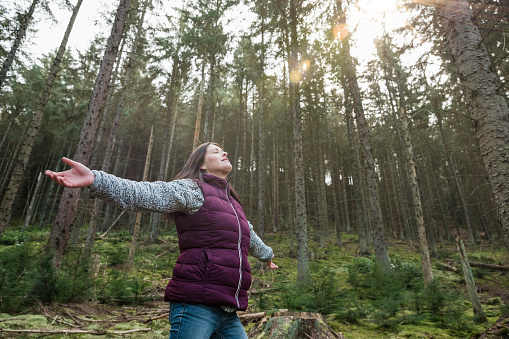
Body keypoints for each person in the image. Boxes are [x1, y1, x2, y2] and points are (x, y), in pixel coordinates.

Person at [45, 142, 278, 339]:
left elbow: (248, 234)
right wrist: (96, 179)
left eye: (223, 150)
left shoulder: (233, 204)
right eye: (216, 150)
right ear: (202, 164)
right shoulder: (193, 190)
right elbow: (145, 193)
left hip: (228, 310)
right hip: (196, 305)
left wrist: (267, 255)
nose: (224, 153)